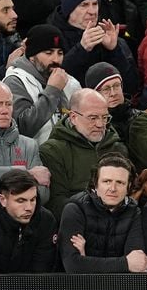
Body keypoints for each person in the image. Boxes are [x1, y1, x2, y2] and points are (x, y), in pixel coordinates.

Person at [39, 88, 128, 220]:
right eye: (93, 118)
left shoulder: (117, 148)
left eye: (104, 118)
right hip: (78, 224)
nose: (100, 124)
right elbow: (56, 203)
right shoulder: (53, 151)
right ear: (73, 117)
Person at [57, 152, 147, 273]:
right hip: (75, 289)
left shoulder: (133, 212)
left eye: (120, 183)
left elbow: (137, 266)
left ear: (129, 186)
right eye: (107, 181)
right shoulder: (75, 209)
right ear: (95, 184)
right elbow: (73, 265)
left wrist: (86, 260)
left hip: (118, 288)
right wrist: (125, 263)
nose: (113, 188)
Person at [46, 0, 140, 93]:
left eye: (95, 4)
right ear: (68, 9)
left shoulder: (109, 36)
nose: (92, 11)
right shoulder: (50, 39)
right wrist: (81, 49)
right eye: (84, 5)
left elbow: (132, 87)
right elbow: (50, 82)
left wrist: (114, 50)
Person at [0, 81, 49, 208]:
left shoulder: (29, 145)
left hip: (21, 223)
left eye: (8, 104)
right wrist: (27, 174)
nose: (5, 110)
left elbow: (43, 192)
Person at [3, 23, 81, 144]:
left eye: (60, 53)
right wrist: (53, 91)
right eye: (48, 53)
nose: (56, 59)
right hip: (33, 159)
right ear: (32, 56)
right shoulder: (15, 81)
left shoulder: (70, 81)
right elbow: (22, 128)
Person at [0, 169, 56, 274]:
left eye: (33, 199)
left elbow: (42, 271)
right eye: (21, 201)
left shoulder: (46, 220)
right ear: (2, 200)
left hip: (33, 288)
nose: (29, 208)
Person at [85, 61, 139, 145]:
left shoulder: (140, 118)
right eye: (106, 89)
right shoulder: (91, 128)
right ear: (94, 94)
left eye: (116, 86)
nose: (113, 93)